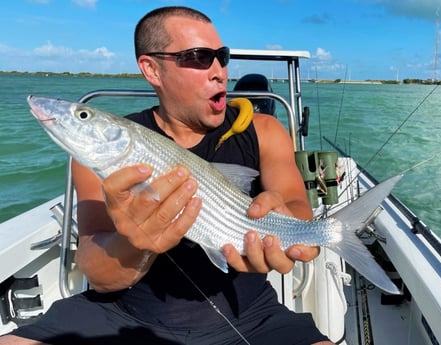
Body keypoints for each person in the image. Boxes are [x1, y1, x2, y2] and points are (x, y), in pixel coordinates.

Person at [1, 6, 333, 345]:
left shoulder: (264, 130)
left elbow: (295, 204)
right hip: (124, 315)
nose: (219, 71)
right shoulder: (91, 159)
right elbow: (97, 272)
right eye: (200, 57)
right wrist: (133, 243)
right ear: (152, 69)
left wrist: (290, 222)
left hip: (251, 315)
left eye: (222, 56)